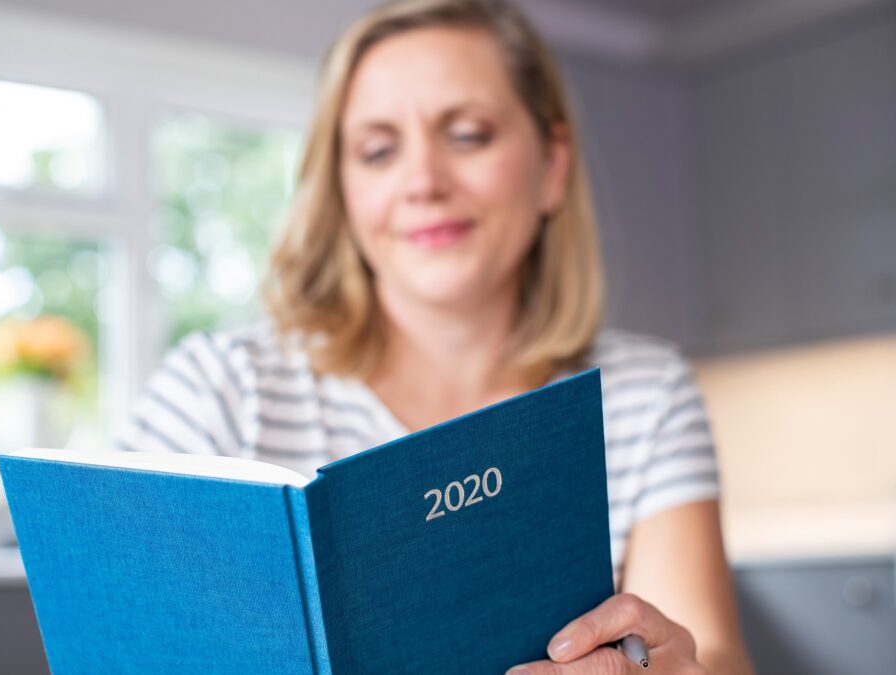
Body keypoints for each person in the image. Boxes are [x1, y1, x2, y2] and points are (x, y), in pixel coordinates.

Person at [119, 0, 754, 672]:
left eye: (469, 135)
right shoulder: (218, 389)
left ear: (552, 167)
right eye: (378, 150)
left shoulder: (645, 394)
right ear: (343, 188)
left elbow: (709, 652)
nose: (423, 182)